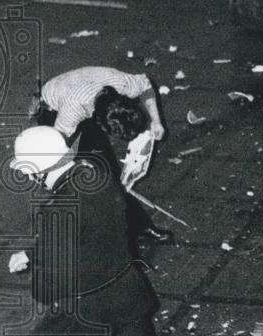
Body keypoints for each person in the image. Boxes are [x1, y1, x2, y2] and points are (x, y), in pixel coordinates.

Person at [7, 125, 210, 336]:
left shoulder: (56, 211)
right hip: (124, 297)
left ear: (36, 170)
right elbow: (93, 233)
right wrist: (35, 252)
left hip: (80, 315)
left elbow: (52, 284)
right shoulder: (99, 178)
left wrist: (41, 276)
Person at [33, 67, 172, 243]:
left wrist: (156, 121)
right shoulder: (73, 109)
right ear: (99, 122)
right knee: (89, 177)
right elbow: (58, 145)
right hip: (54, 110)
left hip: (84, 95)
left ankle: (138, 226)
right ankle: (82, 232)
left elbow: (145, 86)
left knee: (109, 173)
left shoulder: (122, 83)